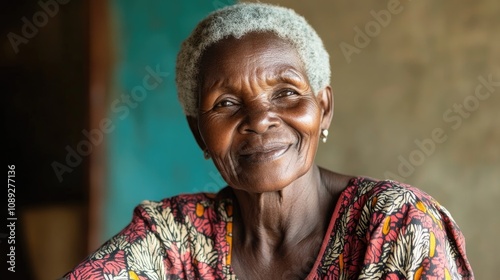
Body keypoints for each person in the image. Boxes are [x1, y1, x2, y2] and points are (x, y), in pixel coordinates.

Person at [63, 3, 474, 279]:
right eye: (225, 103)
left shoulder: (397, 224)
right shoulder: (174, 238)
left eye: (286, 93)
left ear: (324, 108)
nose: (259, 120)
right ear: (198, 133)